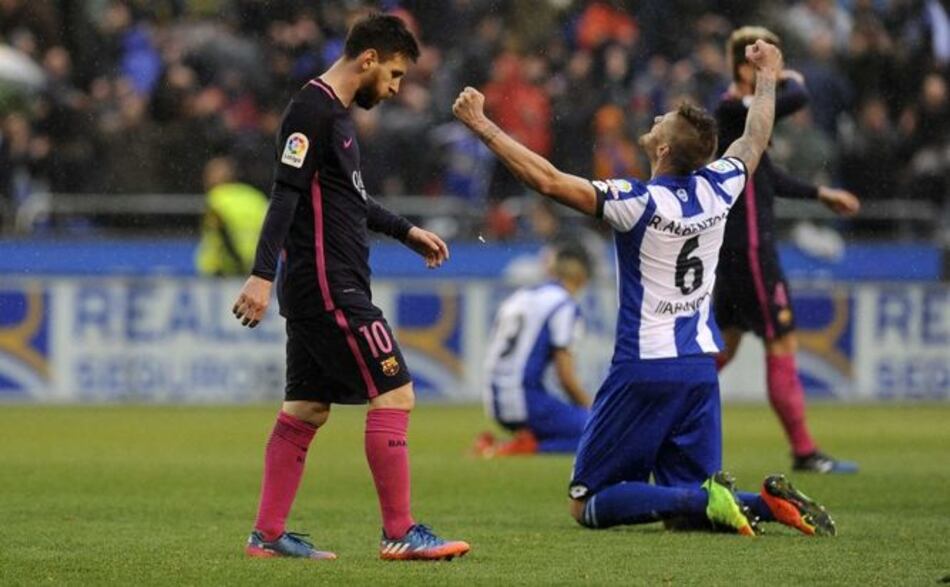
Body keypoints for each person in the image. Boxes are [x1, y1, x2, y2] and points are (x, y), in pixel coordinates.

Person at [454, 40, 836, 537]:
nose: (654, 118)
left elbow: (546, 180)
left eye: (661, 121)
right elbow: (755, 138)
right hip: (700, 367)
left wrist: (482, 125)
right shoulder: (720, 186)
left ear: (661, 149)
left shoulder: (635, 202)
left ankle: (710, 497)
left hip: (645, 367)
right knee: (686, 519)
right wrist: (768, 77)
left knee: (588, 503)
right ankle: (763, 503)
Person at [231, 14, 469, 561]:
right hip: (329, 285)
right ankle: (400, 531)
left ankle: (267, 535)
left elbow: (349, 199)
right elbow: (284, 196)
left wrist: (406, 231)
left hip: (319, 286)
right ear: (368, 59)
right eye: (394, 74)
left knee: (306, 408)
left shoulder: (332, 116)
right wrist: (262, 273)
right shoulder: (311, 109)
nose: (395, 88)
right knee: (395, 391)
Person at [714, 27, 860, 474]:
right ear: (744, 67)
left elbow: (768, 179)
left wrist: (820, 194)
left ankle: (655, 418)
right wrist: (784, 75)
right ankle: (803, 451)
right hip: (753, 253)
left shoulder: (741, 116)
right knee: (781, 342)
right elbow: (797, 96)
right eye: (762, 60)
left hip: (732, 252)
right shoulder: (731, 108)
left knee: (721, 348)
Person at [477, 243, 593, 457]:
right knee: (602, 432)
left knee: (578, 426)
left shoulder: (522, 295)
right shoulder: (564, 304)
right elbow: (565, 376)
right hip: (525, 399)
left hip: (495, 400)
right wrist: (592, 410)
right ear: (581, 273)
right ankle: (520, 449)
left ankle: (508, 443)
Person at [195, 157, 268, 277]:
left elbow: (221, 233)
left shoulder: (215, 199)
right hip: (254, 269)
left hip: (222, 270)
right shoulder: (256, 197)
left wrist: (237, 261)